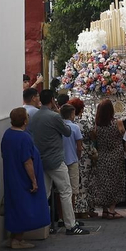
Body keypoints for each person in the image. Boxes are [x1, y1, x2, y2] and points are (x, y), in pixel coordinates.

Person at [26, 99, 87, 235]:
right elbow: (66, 131)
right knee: (66, 191)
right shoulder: (54, 117)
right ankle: (70, 225)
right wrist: (58, 113)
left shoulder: (35, 116)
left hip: (42, 158)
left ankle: (43, 223)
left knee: (45, 192)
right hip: (55, 159)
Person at [1, 107, 49, 249]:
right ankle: (17, 239)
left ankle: (14, 237)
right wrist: (33, 180)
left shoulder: (7, 134)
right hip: (22, 178)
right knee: (24, 207)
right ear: (24, 120)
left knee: (15, 206)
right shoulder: (24, 137)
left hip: (12, 175)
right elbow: (27, 161)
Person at [86, 100, 126, 220]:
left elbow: (94, 138)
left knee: (103, 182)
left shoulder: (97, 125)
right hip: (116, 155)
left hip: (102, 156)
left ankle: (104, 210)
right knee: (115, 181)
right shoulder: (117, 122)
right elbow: (122, 133)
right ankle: (112, 210)